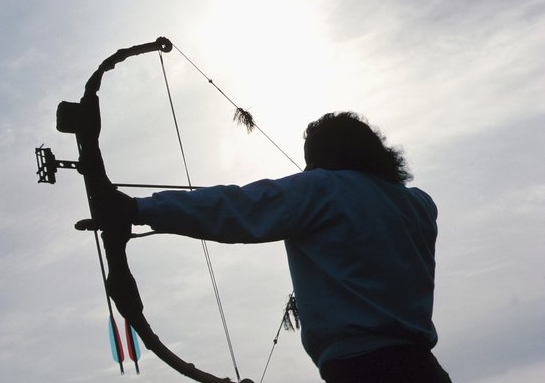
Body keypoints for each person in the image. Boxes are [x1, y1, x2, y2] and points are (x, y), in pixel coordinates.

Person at [100, 111, 451, 383]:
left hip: (361, 370)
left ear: (326, 157)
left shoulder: (322, 188)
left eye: (310, 161)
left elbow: (236, 208)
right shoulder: (420, 205)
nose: (307, 169)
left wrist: (137, 209)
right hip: (425, 369)